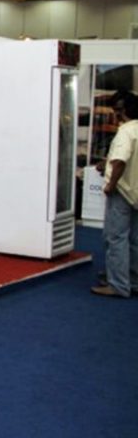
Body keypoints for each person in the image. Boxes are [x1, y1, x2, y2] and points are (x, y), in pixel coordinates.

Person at [93, 92, 138, 298]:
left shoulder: (125, 132)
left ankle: (118, 284)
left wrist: (110, 185)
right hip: (136, 190)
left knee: (116, 238)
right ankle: (133, 281)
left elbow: (120, 161)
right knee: (135, 239)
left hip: (122, 191)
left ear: (122, 110)